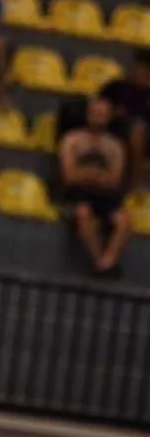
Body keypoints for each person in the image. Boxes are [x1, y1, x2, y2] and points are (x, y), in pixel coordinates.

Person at [59, 97, 131, 276]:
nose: (98, 117)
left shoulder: (115, 146)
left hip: (106, 196)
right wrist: (98, 176)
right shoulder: (72, 140)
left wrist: (85, 174)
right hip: (78, 194)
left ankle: (107, 262)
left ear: (109, 117)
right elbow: (69, 176)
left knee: (124, 221)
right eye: (95, 113)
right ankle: (99, 260)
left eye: (102, 113)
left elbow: (114, 180)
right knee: (83, 214)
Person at [98, 48, 150, 189]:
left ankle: (133, 185)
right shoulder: (116, 87)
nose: (142, 72)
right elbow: (98, 107)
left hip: (145, 136)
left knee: (139, 128)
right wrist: (113, 113)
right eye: (140, 67)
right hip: (113, 128)